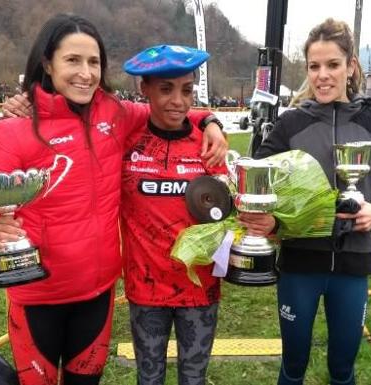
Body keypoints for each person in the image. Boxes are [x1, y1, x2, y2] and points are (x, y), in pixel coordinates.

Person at [0, 14, 227, 385]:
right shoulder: (11, 131)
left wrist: (211, 121)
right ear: (47, 63)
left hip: (96, 294)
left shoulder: (113, 114)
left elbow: (171, 111)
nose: (85, 73)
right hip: (38, 295)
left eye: (93, 62)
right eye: (72, 60)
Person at [245, 19, 371, 385]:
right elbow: (260, 186)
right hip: (300, 264)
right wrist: (273, 223)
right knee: (293, 364)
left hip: (353, 265)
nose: (322, 75)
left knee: (342, 367)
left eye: (332, 65)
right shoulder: (290, 125)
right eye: (314, 66)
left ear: (351, 65)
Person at [120, 45, 226, 385]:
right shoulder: (126, 144)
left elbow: (226, 216)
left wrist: (209, 120)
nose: (178, 101)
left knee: (193, 379)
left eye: (187, 90)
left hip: (199, 288)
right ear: (144, 90)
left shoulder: (209, 147)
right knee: (148, 379)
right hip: (145, 289)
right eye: (166, 89)